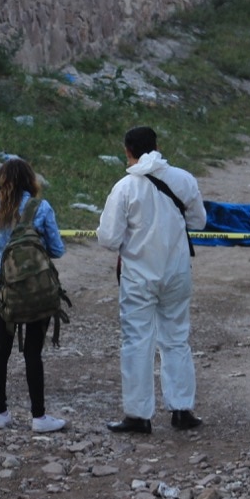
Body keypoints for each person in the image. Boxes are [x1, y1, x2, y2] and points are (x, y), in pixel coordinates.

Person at [96, 126, 205, 434]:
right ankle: (182, 409)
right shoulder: (183, 179)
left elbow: (108, 238)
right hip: (176, 272)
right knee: (176, 338)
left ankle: (138, 414)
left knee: (137, 342)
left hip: (138, 276)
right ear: (157, 146)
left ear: (128, 151)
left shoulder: (125, 188)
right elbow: (198, 220)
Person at [0, 158, 67, 433]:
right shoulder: (40, 207)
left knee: (0, 352)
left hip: (6, 289)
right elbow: (56, 249)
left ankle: (1, 413)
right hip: (36, 291)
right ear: (30, 180)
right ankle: (39, 417)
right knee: (33, 353)